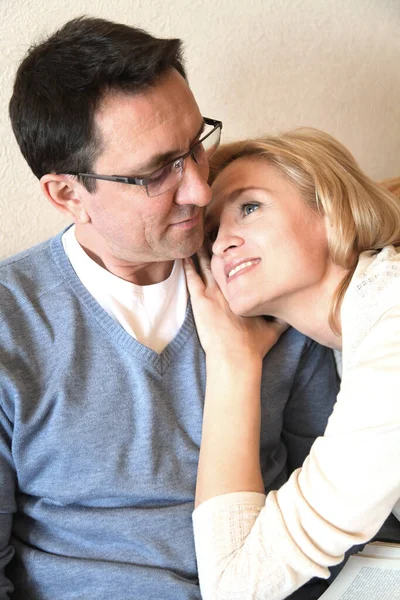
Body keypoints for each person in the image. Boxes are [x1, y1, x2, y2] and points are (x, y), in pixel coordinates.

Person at [0, 17, 340, 600]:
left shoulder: (261, 272)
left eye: (195, 146)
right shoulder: (14, 324)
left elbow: (339, 495)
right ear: (67, 193)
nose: (201, 191)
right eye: (157, 171)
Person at [184, 128, 400, 600]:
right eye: (212, 234)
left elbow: (235, 586)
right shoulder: (359, 334)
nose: (222, 244)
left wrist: (232, 360)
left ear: (330, 205)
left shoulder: (392, 331)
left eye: (250, 207)